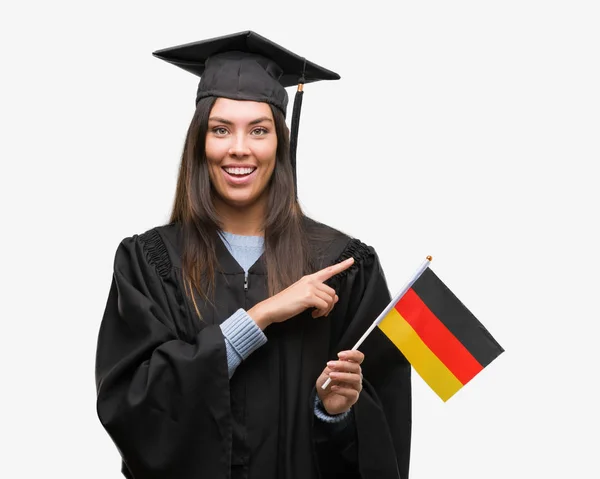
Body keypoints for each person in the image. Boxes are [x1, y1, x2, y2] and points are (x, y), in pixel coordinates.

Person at [95, 30, 411, 479]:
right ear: (200, 144)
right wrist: (259, 316)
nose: (239, 148)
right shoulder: (149, 262)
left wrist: (336, 415)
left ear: (279, 143)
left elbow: (387, 422)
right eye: (221, 129)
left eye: (258, 130)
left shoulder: (342, 267)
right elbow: (131, 405)